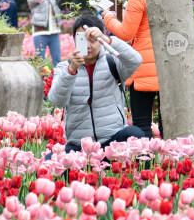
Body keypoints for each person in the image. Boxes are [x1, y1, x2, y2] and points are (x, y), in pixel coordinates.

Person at [48, 13, 145, 152]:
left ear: (100, 40)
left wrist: (109, 39)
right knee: (50, 162)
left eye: (92, 39)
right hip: (80, 145)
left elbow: (136, 60)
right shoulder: (64, 68)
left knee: (135, 135)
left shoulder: (112, 63)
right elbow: (57, 100)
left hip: (112, 142)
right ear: (74, 39)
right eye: (82, 39)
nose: (87, 45)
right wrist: (71, 71)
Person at [99, 0, 161, 139]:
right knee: (169, 122)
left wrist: (106, 16)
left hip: (143, 68)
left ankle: (146, 166)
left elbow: (126, 33)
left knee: (142, 124)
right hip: (167, 67)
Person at [28, 0, 67, 65]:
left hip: (54, 33)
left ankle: (57, 80)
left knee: (57, 61)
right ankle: (41, 80)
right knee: (39, 62)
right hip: (40, 33)